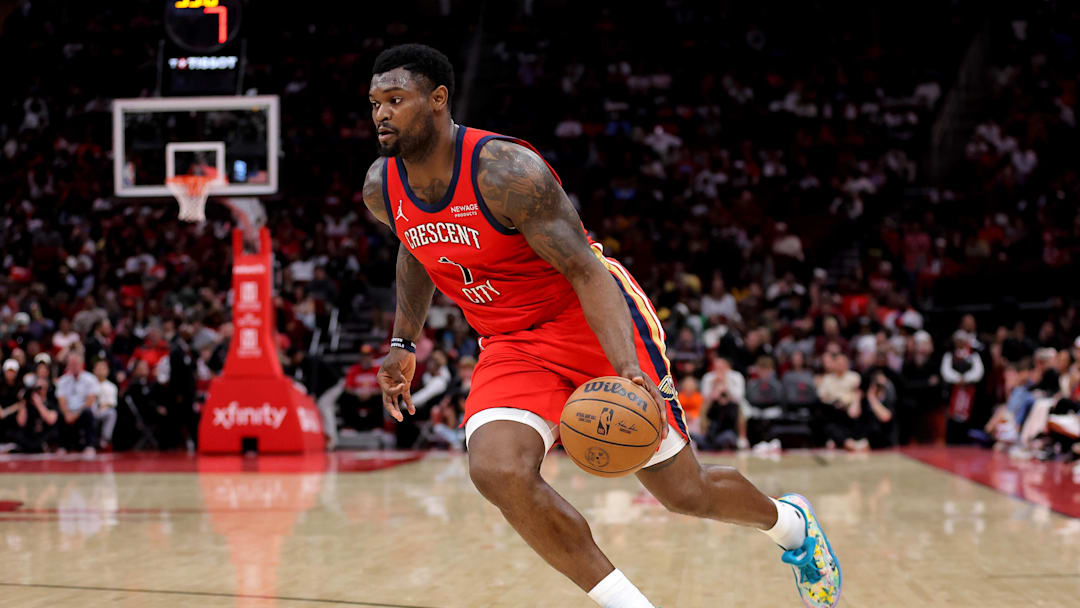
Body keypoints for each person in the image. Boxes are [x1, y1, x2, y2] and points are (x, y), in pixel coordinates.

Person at [362, 44, 839, 608]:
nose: (382, 114)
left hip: (587, 317)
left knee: (685, 493)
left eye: (396, 99)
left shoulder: (504, 172)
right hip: (510, 342)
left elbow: (586, 271)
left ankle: (791, 527)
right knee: (496, 469)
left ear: (438, 100)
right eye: (374, 103)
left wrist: (630, 372)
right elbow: (416, 250)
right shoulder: (381, 186)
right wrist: (402, 341)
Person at [55, 352, 100, 453]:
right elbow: (61, 400)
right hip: (69, 411)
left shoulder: (90, 379)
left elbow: (90, 400)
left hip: (83, 411)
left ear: (81, 364)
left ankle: (90, 445)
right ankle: (62, 446)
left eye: (76, 364)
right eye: (71, 364)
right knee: (59, 413)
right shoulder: (63, 380)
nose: (74, 366)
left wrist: (76, 414)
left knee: (88, 412)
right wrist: (67, 413)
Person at [91, 359, 119, 449]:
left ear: (107, 371)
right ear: (94, 370)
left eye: (103, 368)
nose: (100, 370)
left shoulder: (112, 386)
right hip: (90, 409)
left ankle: (105, 440)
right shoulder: (89, 383)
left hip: (103, 410)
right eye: (98, 368)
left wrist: (101, 407)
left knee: (112, 413)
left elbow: (111, 403)